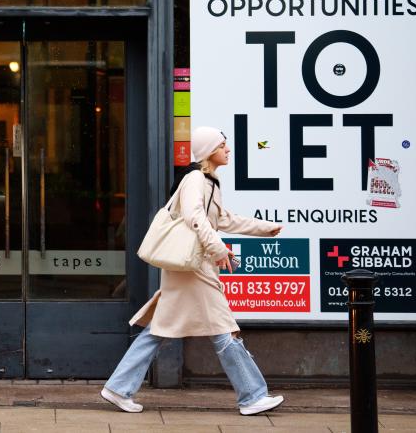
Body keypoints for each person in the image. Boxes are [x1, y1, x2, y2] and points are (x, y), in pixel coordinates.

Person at [100, 126, 285, 416]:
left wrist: (265, 228)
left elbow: (224, 219)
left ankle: (118, 387)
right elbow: (194, 217)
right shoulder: (196, 179)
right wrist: (218, 249)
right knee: (224, 327)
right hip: (194, 267)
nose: (228, 150)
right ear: (209, 150)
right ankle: (252, 396)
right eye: (222, 145)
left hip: (190, 267)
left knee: (159, 328)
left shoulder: (208, 181)